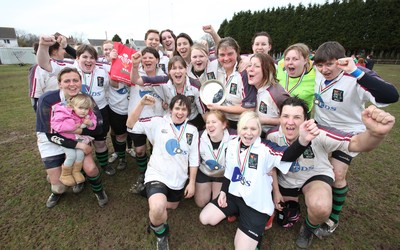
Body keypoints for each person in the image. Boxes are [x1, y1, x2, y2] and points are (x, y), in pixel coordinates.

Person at [267, 96, 396, 248]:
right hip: (287, 181)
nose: (290, 122)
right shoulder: (272, 135)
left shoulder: (319, 132)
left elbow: (356, 143)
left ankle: (308, 229)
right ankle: (294, 202)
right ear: (279, 117)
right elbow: (270, 167)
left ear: (306, 120)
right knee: (284, 218)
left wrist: (375, 134)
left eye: (297, 117)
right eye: (285, 116)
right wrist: (276, 191)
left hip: (314, 177)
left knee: (320, 207)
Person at [312, 41, 399, 237]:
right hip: (321, 129)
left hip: (349, 133)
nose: (324, 70)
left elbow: (392, 95)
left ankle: (333, 218)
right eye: (320, 65)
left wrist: (357, 72)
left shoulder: (356, 77)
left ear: (342, 61)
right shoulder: (316, 71)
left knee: (338, 174)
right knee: (317, 167)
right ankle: (316, 196)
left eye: (330, 64)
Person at [199, 110, 320, 249]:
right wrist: (223, 192)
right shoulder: (232, 144)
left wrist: (303, 141)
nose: (248, 133)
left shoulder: (266, 148)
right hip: (235, 195)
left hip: (256, 204)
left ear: (259, 130)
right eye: (244, 128)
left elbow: (287, 155)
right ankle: (238, 214)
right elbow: (230, 171)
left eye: (253, 129)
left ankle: (261, 223)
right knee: (205, 218)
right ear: (239, 129)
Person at [126, 94, 199, 250]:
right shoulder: (158, 122)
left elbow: (193, 159)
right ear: (170, 109)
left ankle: (147, 195)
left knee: (171, 207)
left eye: (184, 109)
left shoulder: (192, 130)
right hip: (157, 174)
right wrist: (141, 104)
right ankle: (161, 235)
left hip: (178, 179)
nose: (180, 112)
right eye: (177, 108)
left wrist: (191, 183)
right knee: (158, 209)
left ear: (188, 112)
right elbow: (130, 124)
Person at [37, 35, 115, 177]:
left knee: (101, 142)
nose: (89, 60)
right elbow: (44, 64)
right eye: (85, 57)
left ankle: (104, 164)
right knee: (77, 141)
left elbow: (118, 72)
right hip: (74, 115)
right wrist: (43, 46)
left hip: (100, 111)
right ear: (77, 58)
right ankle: (82, 170)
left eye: (92, 57)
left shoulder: (103, 69)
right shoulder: (69, 67)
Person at [36, 66, 108, 208]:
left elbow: (99, 127)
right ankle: (56, 189)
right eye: (67, 81)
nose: (72, 84)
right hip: (52, 140)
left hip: (75, 137)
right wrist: (79, 145)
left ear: (81, 82)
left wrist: (81, 132)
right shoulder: (47, 100)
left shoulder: (85, 99)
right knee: (59, 187)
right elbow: (50, 134)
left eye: (75, 80)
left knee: (91, 169)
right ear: (59, 84)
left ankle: (99, 191)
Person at [130, 53, 206, 131]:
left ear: (186, 69)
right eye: (174, 68)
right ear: (169, 71)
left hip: (192, 120)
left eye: (181, 68)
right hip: (172, 120)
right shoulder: (163, 81)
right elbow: (136, 80)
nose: (178, 71)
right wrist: (135, 66)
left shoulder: (195, 85)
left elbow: (203, 112)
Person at [127, 47, 168, 194]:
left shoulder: (164, 76)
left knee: (156, 149)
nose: (148, 60)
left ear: (157, 60)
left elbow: (169, 96)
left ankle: (156, 174)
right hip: (138, 118)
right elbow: (133, 79)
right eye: (145, 58)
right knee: (139, 150)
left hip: (157, 118)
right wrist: (135, 65)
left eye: (151, 57)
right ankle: (142, 173)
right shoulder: (137, 73)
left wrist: (166, 103)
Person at [206, 37, 257, 130]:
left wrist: (219, 108)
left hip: (241, 123)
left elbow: (249, 108)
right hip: (222, 120)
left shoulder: (244, 73)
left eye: (230, 54)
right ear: (217, 56)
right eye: (222, 55)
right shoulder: (216, 70)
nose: (226, 58)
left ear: (237, 53)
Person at [51, 93, 96, 186]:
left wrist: (90, 123)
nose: (83, 111)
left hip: (78, 140)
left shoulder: (89, 115)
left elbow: (94, 123)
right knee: (71, 155)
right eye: (80, 108)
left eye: (86, 109)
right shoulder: (65, 113)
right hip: (67, 141)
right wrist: (73, 125)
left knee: (80, 154)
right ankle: (65, 174)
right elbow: (56, 126)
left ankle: (76, 172)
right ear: (72, 106)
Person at [195, 110, 236, 208]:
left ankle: (216, 186)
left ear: (223, 125)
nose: (210, 125)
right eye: (208, 122)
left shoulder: (235, 137)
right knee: (200, 203)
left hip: (223, 175)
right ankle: (209, 185)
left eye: (214, 122)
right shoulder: (198, 136)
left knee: (217, 203)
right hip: (205, 172)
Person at [29, 34, 75, 112]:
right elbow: (36, 95)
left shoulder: (69, 63)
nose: (64, 51)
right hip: (52, 111)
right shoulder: (38, 68)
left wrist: (67, 46)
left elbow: (81, 57)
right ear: (54, 51)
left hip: (71, 109)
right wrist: (41, 114)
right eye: (62, 48)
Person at [246, 53, 289, 135]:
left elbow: (292, 119)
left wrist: (264, 120)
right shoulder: (253, 88)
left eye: (257, 66)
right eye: (249, 65)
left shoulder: (277, 94)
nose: (250, 69)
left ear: (267, 70)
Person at [276, 43, 316, 114]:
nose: (290, 62)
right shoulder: (280, 66)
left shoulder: (315, 73)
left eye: (295, 59)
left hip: (303, 116)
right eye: (287, 59)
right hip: (280, 113)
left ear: (305, 60)